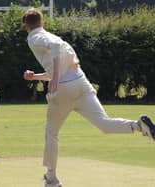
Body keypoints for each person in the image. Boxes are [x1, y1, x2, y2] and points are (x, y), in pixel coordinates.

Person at [22, 8, 155, 187]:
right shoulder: (56, 38)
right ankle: (139, 126)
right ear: (42, 21)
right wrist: (37, 77)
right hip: (80, 82)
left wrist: (53, 78)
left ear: (26, 26)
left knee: (51, 133)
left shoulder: (34, 37)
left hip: (63, 88)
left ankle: (51, 179)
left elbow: (54, 51)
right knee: (104, 123)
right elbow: (59, 65)